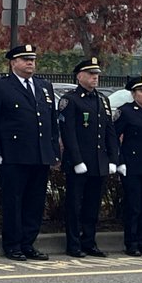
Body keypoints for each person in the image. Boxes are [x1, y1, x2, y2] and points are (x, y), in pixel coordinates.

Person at [0, 44, 59, 262]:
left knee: (35, 202)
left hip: (39, 154)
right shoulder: (1, 87)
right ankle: (13, 244)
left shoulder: (44, 86)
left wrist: (53, 150)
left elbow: (50, 122)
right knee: (14, 201)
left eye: (32, 59)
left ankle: (28, 243)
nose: (30, 63)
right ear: (13, 62)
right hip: (14, 155)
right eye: (25, 59)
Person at [57, 57, 118, 258]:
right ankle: (74, 244)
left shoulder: (102, 100)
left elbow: (109, 131)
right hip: (79, 163)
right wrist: (76, 160)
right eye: (91, 74)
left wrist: (112, 158)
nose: (95, 78)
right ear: (79, 76)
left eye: (97, 75)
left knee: (93, 205)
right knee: (75, 205)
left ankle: (89, 242)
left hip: (99, 162)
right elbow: (69, 133)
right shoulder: (71, 99)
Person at [114, 74, 142, 256]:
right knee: (134, 206)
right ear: (133, 93)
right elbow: (113, 137)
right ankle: (131, 242)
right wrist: (119, 161)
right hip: (132, 166)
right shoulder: (126, 111)